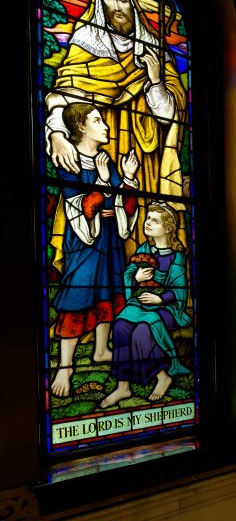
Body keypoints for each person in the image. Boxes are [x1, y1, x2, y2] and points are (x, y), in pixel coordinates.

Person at [44, 0, 187, 257]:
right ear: (99, 3)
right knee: (101, 230)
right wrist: (58, 133)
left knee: (145, 219)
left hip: (143, 156)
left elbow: (172, 115)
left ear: (132, 4)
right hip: (99, 146)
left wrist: (156, 81)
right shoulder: (86, 41)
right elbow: (65, 92)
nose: (117, 6)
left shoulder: (154, 50)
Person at [50, 103, 139, 398]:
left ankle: (101, 349)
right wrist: (102, 184)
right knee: (78, 293)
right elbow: (78, 204)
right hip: (84, 240)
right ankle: (65, 366)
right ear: (81, 127)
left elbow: (122, 204)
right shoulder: (69, 160)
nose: (106, 126)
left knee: (107, 292)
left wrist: (127, 178)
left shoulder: (106, 160)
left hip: (110, 238)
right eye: (98, 120)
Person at [100, 201, 192, 407]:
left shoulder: (176, 257)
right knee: (121, 326)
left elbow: (179, 289)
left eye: (154, 220)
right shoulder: (144, 249)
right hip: (139, 302)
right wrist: (137, 279)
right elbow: (129, 275)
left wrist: (160, 299)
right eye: (148, 218)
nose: (148, 223)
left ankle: (163, 377)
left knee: (143, 330)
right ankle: (123, 387)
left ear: (168, 227)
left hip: (166, 308)